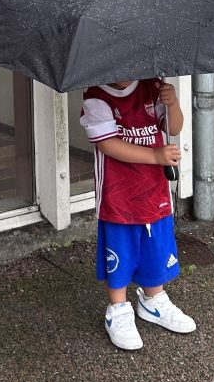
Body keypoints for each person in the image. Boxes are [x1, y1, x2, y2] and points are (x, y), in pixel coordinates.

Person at [80, 79, 196, 350]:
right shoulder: (96, 96)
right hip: (118, 192)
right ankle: (118, 308)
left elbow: (173, 127)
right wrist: (155, 155)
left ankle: (154, 299)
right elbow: (107, 144)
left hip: (153, 188)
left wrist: (173, 103)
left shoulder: (152, 87)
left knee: (156, 243)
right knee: (121, 248)